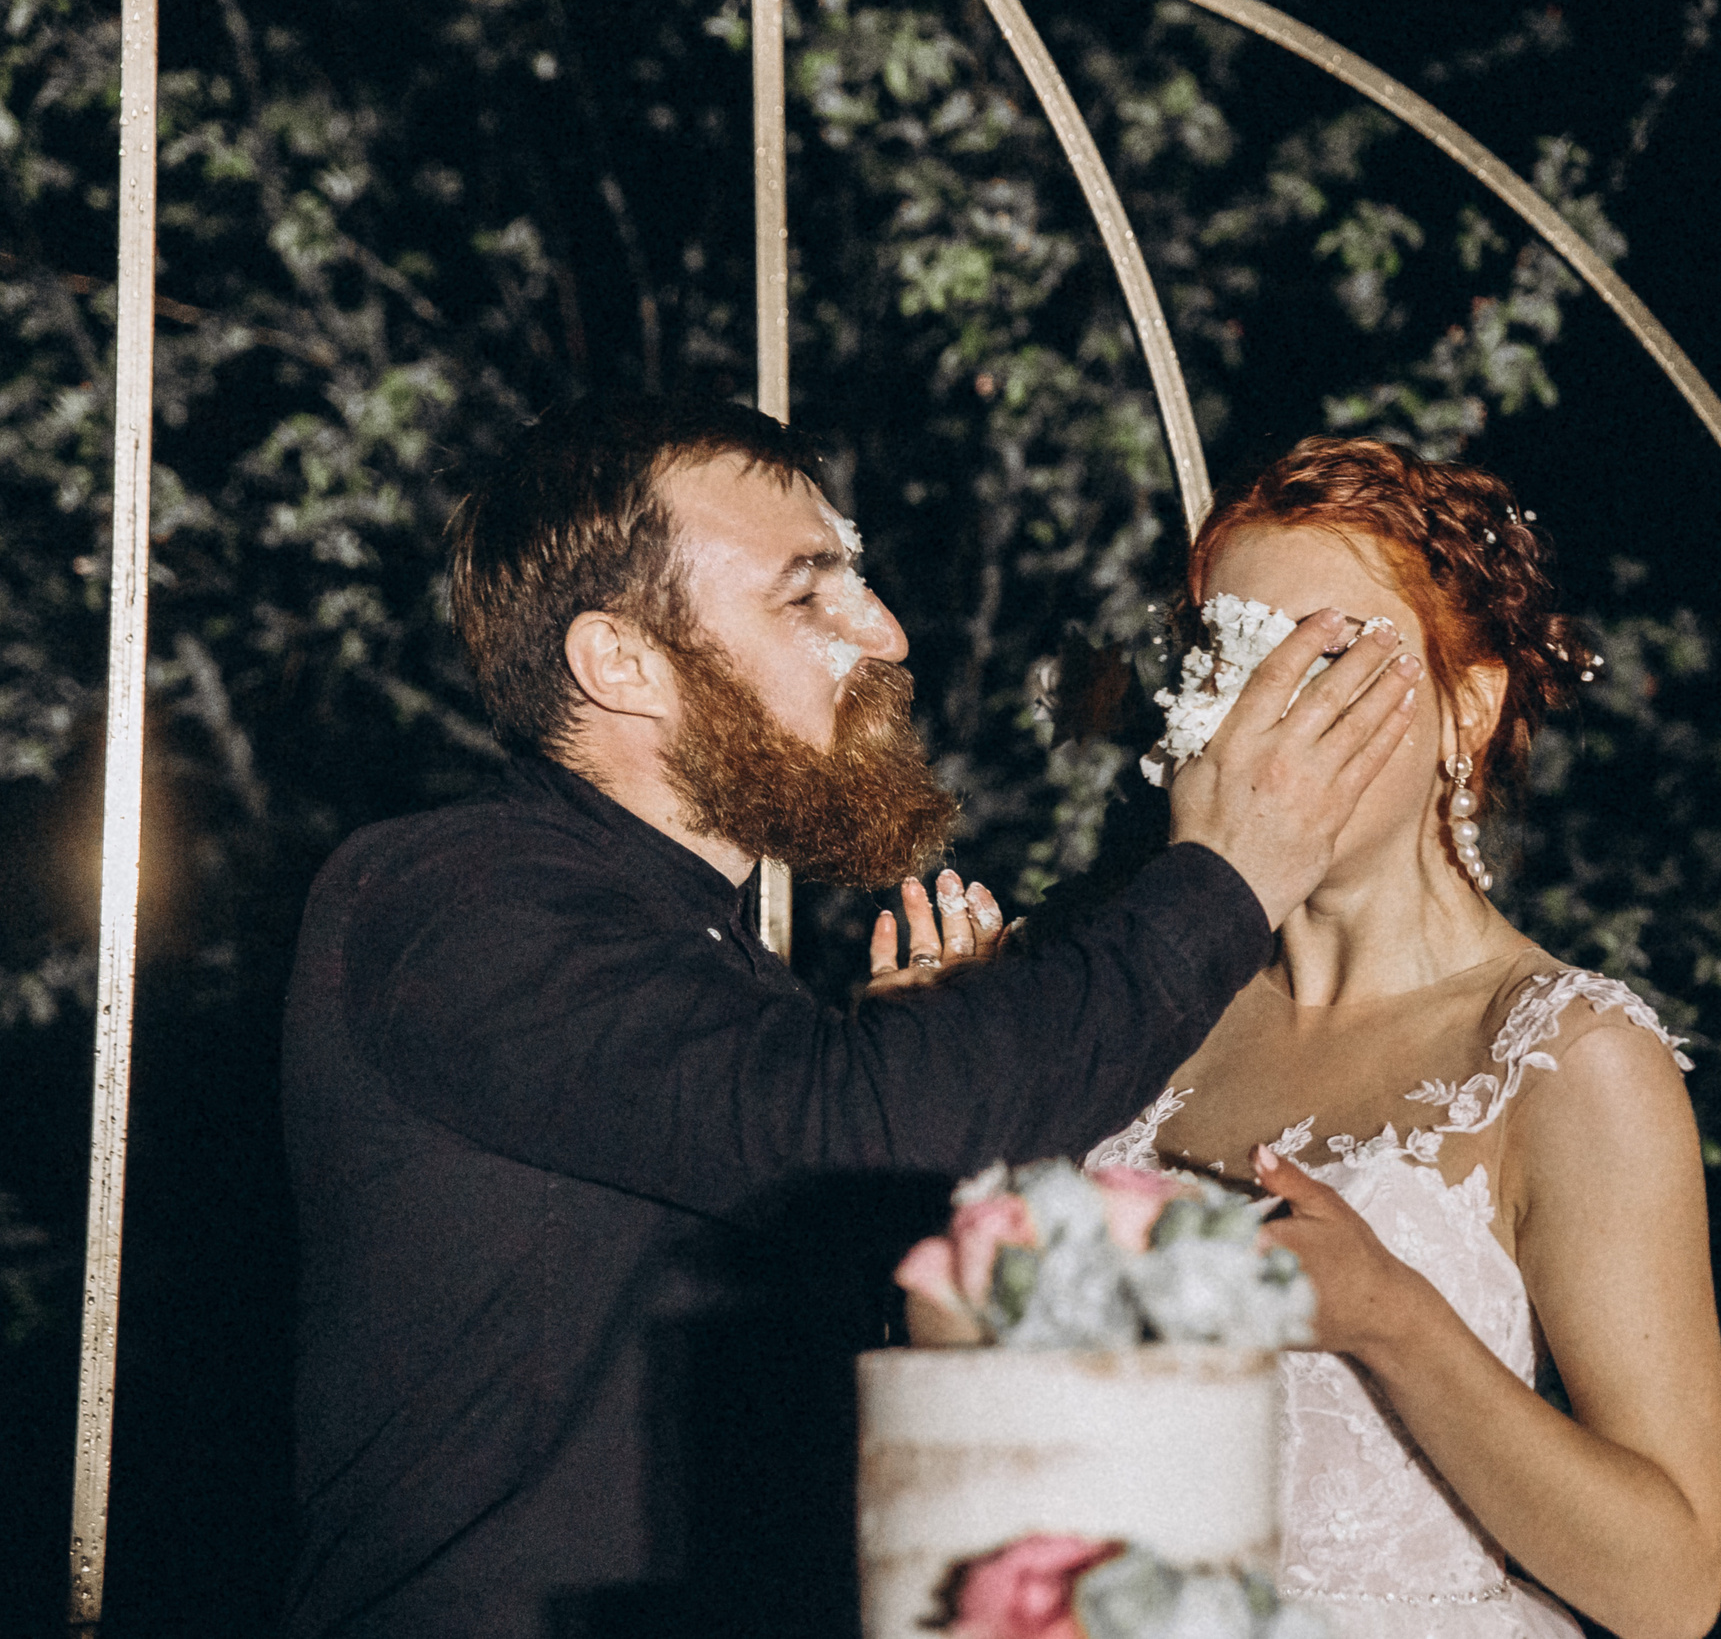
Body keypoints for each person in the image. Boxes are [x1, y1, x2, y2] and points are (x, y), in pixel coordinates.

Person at [279, 396, 1421, 1639]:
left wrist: (929, 1084)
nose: (883, 632)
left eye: (858, 583)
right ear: (620, 663)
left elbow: (832, 1190)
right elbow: (849, 1125)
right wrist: (1230, 872)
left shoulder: (712, 960)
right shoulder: (448, 896)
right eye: (807, 593)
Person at [1087, 437, 1721, 1639]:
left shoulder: (1565, 1057)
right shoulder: (1133, 1003)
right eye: (1229, 659)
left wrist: (1392, 1319)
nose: (1260, 718)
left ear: (1466, 708)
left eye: (1322, 661)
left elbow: (1672, 1587)